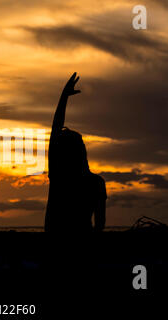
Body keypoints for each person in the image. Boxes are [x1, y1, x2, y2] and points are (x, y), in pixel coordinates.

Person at [45, 72, 106, 233]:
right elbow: (100, 224)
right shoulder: (96, 183)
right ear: (82, 152)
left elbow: (55, 130)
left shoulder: (59, 177)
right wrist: (64, 96)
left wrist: (64, 96)